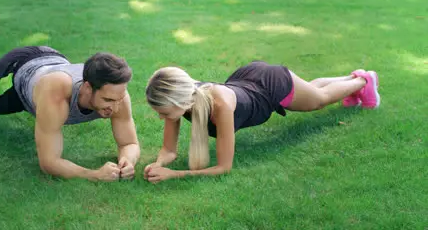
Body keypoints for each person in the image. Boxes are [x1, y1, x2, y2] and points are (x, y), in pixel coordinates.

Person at [143, 61, 379, 183]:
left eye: (163, 112)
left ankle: (363, 81)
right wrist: (158, 163)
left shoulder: (220, 106)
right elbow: (169, 150)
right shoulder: (183, 101)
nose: (162, 118)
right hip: (248, 79)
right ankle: (352, 78)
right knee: (310, 91)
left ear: (180, 100)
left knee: (319, 100)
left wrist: (174, 175)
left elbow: (224, 168)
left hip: (269, 86)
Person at [0, 46, 140, 182]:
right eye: (108, 100)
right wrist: (93, 174)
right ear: (87, 87)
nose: (115, 107)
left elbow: (129, 143)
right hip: (17, 69)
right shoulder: (56, 95)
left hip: (52, 60)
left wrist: (128, 161)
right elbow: (49, 162)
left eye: (119, 99)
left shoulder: (117, 95)